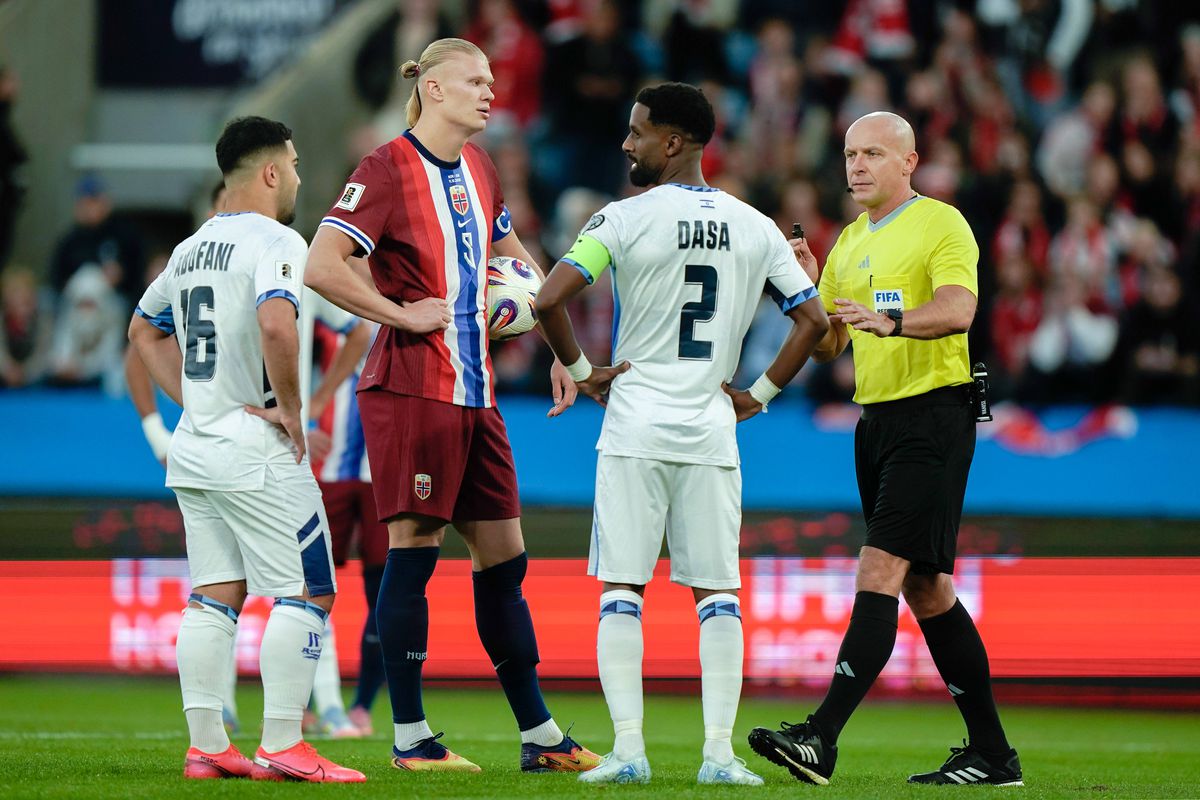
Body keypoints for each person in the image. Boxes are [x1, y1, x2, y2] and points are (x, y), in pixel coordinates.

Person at [303, 37, 599, 774]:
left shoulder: (481, 167)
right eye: (475, 80)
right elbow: (321, 264)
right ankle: (410, 738)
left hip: (477, 392)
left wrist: (560, 346)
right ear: (433, 88)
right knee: (414, 552)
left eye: (492, 81)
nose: (490, 92)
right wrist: (398, 314)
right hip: (412, 387)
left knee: (505, 559)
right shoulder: (384, 168)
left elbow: (515, 260)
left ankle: (540, 737)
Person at [534, 82, 830, 786]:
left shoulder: (622, 219)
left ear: (672, 142)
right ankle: (719, 756)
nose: (627, 143)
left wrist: (584, 373)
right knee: (717, 595)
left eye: (637, 132)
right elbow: (813, 321)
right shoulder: (755, 226)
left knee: (622, 591)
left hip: (634, 427)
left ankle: (628, 752)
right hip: (710, 431)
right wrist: (757, 396)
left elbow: (548, 298)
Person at [746, 111, 1022, 787]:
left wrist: (892, 321)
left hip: (934, 415)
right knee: (927, 589)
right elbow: (830, 344)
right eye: (849, 154)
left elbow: (958, 309)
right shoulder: (848, 242)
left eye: (872, 153)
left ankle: (821, 736)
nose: (857, 166)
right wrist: (805, 289)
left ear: (909, 161)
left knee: (880, 566)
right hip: (877, 423)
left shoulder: (941, 224)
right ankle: (992, 754)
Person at [127, 116, 364, 783]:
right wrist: (291, 410)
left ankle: (206, 746)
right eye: (294, 165)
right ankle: (284, 742)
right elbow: (277, 324)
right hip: (256, 449)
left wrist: (193, 400)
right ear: (270, 171)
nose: (298, 178)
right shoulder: (278, 239)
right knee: (310, 590)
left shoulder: (188, 249)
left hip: (197, 447)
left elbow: (142, 331)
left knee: (214, 594)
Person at [303, 293, 384, 737]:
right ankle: (305, 700)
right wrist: (306, 417)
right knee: (309, 584)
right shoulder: (322, 299)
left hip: (382, 472)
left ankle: (362, 705)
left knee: (385, 594)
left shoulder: (406, 302)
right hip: (325, 467)